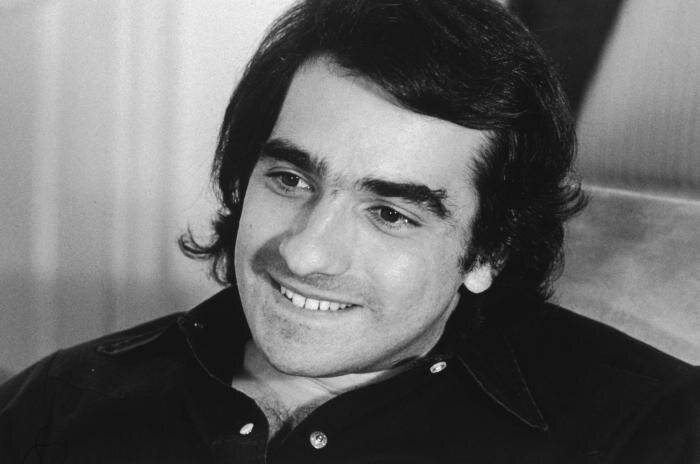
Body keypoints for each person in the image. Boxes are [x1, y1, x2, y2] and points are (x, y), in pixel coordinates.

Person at [1, 0, 698, 462]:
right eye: (290, 180)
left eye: (390, 214)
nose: (305, 252)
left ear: (490, 250)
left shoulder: (649, 431)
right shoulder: (63, 402)